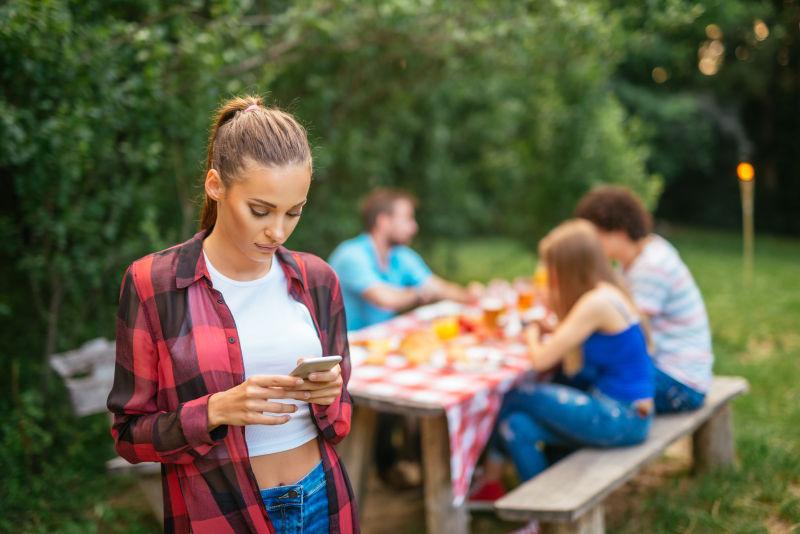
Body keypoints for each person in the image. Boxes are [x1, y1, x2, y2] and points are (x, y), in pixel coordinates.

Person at [107, 95, 358, 534]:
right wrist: (216, 410)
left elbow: (340, 417)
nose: (277, 231)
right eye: (260, 210)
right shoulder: (154, 284)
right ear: (215, 185)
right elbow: (129, 436)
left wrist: (329, 396)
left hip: (324, 499)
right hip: (222, 514)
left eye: (293, 212)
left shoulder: (318, 280)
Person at [471, 219, 654, 502]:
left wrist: (532, 330)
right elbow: (574, 361)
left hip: (619, 416)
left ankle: (490, 479)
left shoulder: (595, 303)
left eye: (552, 268)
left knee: (514, 395)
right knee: (517, 425)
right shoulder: (608, 291)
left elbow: (542, 361)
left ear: (569, 266)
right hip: (627, 414)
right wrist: (553, 328)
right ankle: (543, 511)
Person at [575, 185, 713, 413]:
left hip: (680, 383)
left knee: (581, 380)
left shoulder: (651, 268)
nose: (590, 245)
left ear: (618, 231)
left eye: (595, 235)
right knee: (579, 372)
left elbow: (629, 332)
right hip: (674, 370)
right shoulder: (640, 254)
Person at [328, 187, 480, 332]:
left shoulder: (401, 255)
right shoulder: (351, 255)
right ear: (384, 221)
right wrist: (420, 293)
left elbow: (437, 287)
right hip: (343, 349)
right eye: (407, 219)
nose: (414, 227)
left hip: (377, 343)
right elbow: (386, 299)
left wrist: (471, 295)